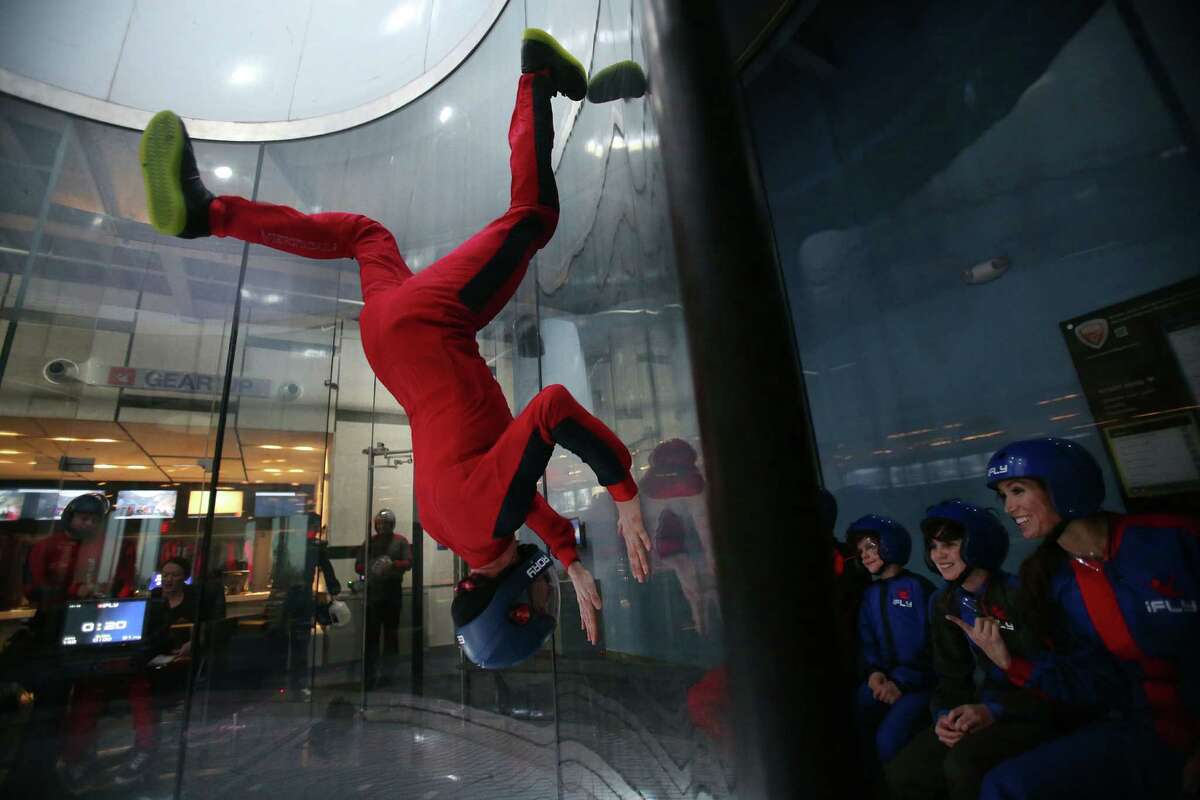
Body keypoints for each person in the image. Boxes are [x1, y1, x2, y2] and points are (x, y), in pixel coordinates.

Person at [140, 29, 651, 669]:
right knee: (364, 234)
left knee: (533, 218)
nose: (548, 593)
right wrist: (571, 561)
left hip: (428, 326)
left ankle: (536, 75)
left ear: (516, 603)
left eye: (541, 603)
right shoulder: (459, 530)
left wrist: (623, 489)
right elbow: (527, 505)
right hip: (388, 342)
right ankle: (209, 213)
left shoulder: (489, 514)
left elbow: (550, 410)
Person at [952, 438, 1200, 799]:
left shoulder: (1173, 540)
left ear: (1065, 484)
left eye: (1018, 490)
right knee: (1005, 787)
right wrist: (1010, 663)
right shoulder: (1054, 583)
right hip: (1143, 730)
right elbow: (1092, 681)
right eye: (1003, 496)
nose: (1009, 508)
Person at [885, 500, 1068, 800]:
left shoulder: (1021, 595)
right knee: (903, 773)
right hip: (982, 709)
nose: (938, 555)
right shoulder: (945, 602)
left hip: (1033, 712)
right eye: (933, 547)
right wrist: (946, 717)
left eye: (949, 544)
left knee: (963, 765)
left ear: (978, 543)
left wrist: (994, 711)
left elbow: (1057, 683)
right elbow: (951, 676)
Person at [846, 515, 936, 781]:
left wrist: (901, 682)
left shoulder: (919, 589)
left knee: (888, 742)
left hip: (919, 686)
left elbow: (931, 648)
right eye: (860, 551)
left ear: (890, 543)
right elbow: (867, 640)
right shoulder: (870, 595)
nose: (864, 555)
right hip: (883, 682)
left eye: (870, 546)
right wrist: (874, 672)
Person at [354, 509, 411, 688]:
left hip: (392, 590)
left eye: (385, 523)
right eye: (379, 523)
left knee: (391, 635)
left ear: (392, 524)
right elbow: (358, 565)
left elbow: (409, 562)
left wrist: (392, 564)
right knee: (371, 635)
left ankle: (389, 674)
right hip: (374, 591)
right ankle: (369, 674)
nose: (382, 526)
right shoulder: (370, 542)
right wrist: (372, 568)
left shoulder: (400, 541)